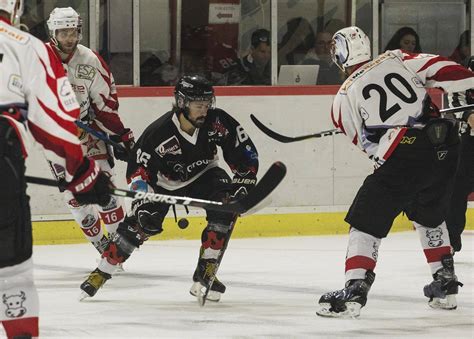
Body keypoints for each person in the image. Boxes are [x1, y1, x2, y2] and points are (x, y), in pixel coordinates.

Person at [316, 26, 474, 318]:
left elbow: (371, 147)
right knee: (429, 213)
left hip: (407, 150)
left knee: (365, 219)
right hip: (446, 143)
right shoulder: (397, 58)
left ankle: (355, 289)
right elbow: (446, 70)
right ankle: (445, 283)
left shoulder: (342, 99)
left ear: (339, 54)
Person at [79, 75, 259, 302]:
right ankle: (102, 271)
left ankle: (206, 270)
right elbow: (138, 167)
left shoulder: (217, 122)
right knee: (143, 221)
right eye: (198, 105)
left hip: (205, 175)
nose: (204, 110)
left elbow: (242, 148)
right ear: (182, 103)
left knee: (224, 208)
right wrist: (142, 187)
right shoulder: (159, 132)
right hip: (164, 183)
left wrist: (244, 179)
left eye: (206, 104)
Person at [0, 1, 114, 337]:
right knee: (13, 271)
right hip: (2, 160)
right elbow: (56, 123)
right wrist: (84, 174)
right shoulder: (25, 47)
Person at [46, 7, 134, 255]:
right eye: (63, 32)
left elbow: (105, 103)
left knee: (104, 187)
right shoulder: (38, 60)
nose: (69, 38)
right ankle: (101, 244)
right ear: (53, 32)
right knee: (76, 197)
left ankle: (119, 242)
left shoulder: (90, 59)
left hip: (88, 129)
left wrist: (120, 134)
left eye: (73, 32)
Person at [445, 56, 474, 252]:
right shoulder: (464, 78)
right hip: (467, 145)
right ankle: (451, 240)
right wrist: (469, 114)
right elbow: (455, 100)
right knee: (456, 191)